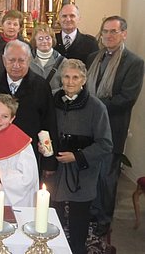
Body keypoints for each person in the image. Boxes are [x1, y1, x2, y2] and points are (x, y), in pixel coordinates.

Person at [45, 59, 112, 254]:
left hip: (82, 175)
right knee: (51, 218)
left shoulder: (96, 107)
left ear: (83, 80)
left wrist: (76, 156)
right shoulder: (51, 100)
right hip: (55, 172)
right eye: (66, 76)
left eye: (75, 77)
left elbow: (105, 144)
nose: (70, 81)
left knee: (78, 223)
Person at [86, 16, 144, 236]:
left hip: (112, 126)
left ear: (124, 34)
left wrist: (93, 107)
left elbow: (127, 98)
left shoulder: (134, 63)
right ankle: (90, 212)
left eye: (113, 31)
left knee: (107, 175)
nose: (108, 36)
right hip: (89, 126)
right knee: (91, 171)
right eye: (105, 32)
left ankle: (103, 220)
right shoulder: (93, 57)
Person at [0, 40, 58, 177]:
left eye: (21, 61)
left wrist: (49, 161)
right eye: (11, 60)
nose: (16, 65)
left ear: (29, 60)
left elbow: (49, 123)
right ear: (4, 60)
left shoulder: (41, 86)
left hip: (28, 154)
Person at [0, 10, 28, 77]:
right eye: (8, 23)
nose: (11, 27)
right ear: (2, 25)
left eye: (15, 24)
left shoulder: (27, 47)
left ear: (20, 28)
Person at [30, 24, 66, 93]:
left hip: (54, 101)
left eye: (47, 38)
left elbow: (65, 86)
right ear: (35, 41)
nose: (44, 41)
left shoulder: (63, 62)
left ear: (52, 40)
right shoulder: (26, 60)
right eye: (40, 38)